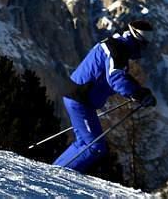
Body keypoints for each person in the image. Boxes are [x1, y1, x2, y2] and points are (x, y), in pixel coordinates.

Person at [52, 19, 157, 172]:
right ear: (136, 37)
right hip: (79, 99)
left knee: (84, 143)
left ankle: (53, 172)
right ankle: (56, 175)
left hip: (80, 97)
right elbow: (116, 78)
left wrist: (139, 91)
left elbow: (118, 75)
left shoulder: (118, 46)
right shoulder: (117, 49)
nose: (145, 47)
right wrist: (138, 94)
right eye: (144, 42)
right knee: (95, 146)